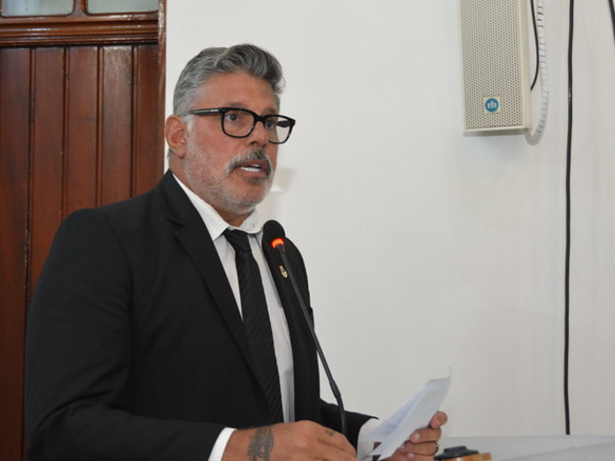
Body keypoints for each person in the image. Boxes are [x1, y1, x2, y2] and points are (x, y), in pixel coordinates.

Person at [25, 44, 447, 461]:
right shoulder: (107, 240)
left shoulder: (281, 255)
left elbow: (279, 410)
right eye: (235, 118)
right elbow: (63, 428)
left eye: (269, 121)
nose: (261, 136)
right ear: (178, 135)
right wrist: (237, 448)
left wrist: (375, 438)